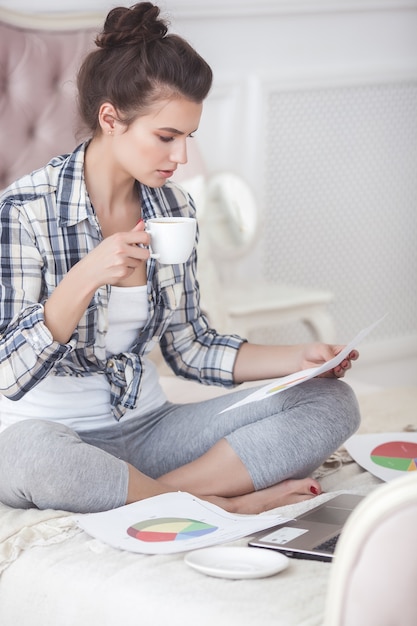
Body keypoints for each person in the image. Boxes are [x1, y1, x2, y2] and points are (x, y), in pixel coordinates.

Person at [0, 2, 360, 515]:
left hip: (152, 431)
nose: (181, 158)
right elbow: (8, 372)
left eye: (188, 137)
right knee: (28, 457)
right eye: (166, 137)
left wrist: (298, 360)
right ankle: (218, 503)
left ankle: (158, 495)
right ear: (111, 119)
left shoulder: (172, 207)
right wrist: (83, 280)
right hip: (55, 438)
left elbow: (191, 348)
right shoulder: (22, 211)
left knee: (330, 404)